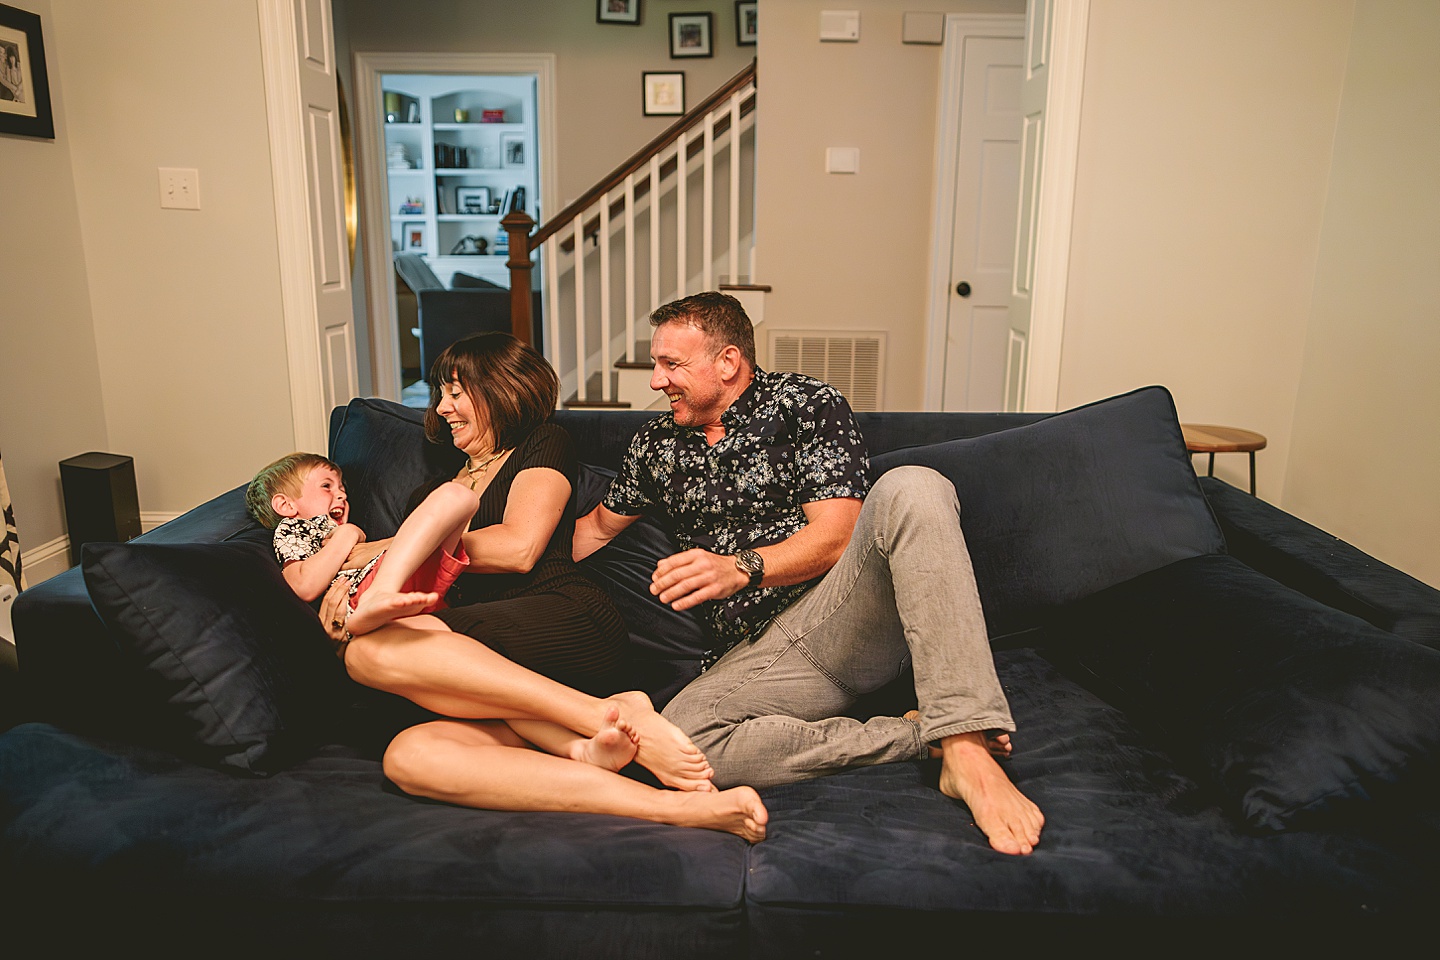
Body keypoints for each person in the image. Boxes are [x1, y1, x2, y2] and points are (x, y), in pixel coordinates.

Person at [573, 292, 1044, 856]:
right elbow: (595, 529)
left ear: (727, 362)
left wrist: (743, 568)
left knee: (914, 485)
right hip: (761, 657)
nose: (655, 381)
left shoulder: (805, 405)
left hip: (846, 615)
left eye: (672, 365)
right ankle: (922, 738)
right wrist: (484, 551)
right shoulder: (655, 445)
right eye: (656, 364)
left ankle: (966, 741)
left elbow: (839, 533)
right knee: (684, 742)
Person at [318, 332, 767, 841]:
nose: (442, 407)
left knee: (367, 655)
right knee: (411, 758)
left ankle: (600, 713)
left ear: (499, 388)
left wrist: (378, 547)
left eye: (455, 391)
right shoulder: (428, 490)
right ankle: (673, 805)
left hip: (560, 616)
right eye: (439, 393)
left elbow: (519, 548)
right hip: (480, 668)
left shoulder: (541, 443)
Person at [245, 452, 475, 638]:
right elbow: (304, 585)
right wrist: (347, 534)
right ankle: (378, 598)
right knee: (454, 495)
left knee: (460, 496)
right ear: (286, 506)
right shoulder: (297, 528)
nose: (342, 496)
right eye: (327, 486)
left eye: (342, 489)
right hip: (360, 596)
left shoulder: (344, 531)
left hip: (410, 591)